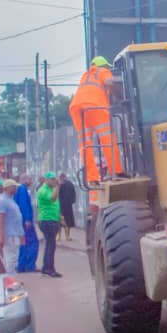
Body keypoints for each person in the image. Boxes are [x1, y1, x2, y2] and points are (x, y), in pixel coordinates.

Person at [69, 55, 122, 183]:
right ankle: (116, 171)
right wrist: (119, 95)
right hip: (95, 106)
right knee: (107, 139)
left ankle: (92, 177)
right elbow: (109, 82)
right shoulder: (102, 71)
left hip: (77, 108)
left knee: (85, 144)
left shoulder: (85, 76)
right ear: (102, 66)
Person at [0, 180, 25, 273]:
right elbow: (0, 219)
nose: (16, 189)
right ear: (8, 188)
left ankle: (10, 277)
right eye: (14, 187)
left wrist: (21, 234)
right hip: (10, 235)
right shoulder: (3, 201)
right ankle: (10, 279)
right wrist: (2, 237)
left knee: (12, 258)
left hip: (14, 234)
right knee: (11, 259)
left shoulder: (10, 200)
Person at [36, 173, 62, 277]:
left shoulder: (50, 189)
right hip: (47, 220)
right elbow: (52, 199)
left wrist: (59, 216)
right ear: (46, 180)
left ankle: (46, 267)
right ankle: (49, 269)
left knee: (50, 245)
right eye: (52, 179)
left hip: (51, 219)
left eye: (55, 179)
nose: (54, 181)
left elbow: (55, 204)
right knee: (51, 245)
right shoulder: (43, 190)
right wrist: (58, 186)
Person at [15, 175, 39, 273]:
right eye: (30, 179)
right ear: (24, 179)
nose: (31, 181)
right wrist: (27, 219)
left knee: (24, 243)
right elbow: (24, 205)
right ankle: (29, 265)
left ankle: (22, 265)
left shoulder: (20, 189)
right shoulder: (22, 190)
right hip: (25, 221)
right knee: (32, 243)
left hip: (21, 221)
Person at [57, 172, 77, 241]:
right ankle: (60, 236)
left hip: (65, 205)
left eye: (62, 177)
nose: (62, 179)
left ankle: (66, 236)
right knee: (60, 221)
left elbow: (73, 193)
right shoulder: (58, 184)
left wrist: (72, 200)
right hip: (62, 205)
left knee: (66, 221)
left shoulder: (69, 184)